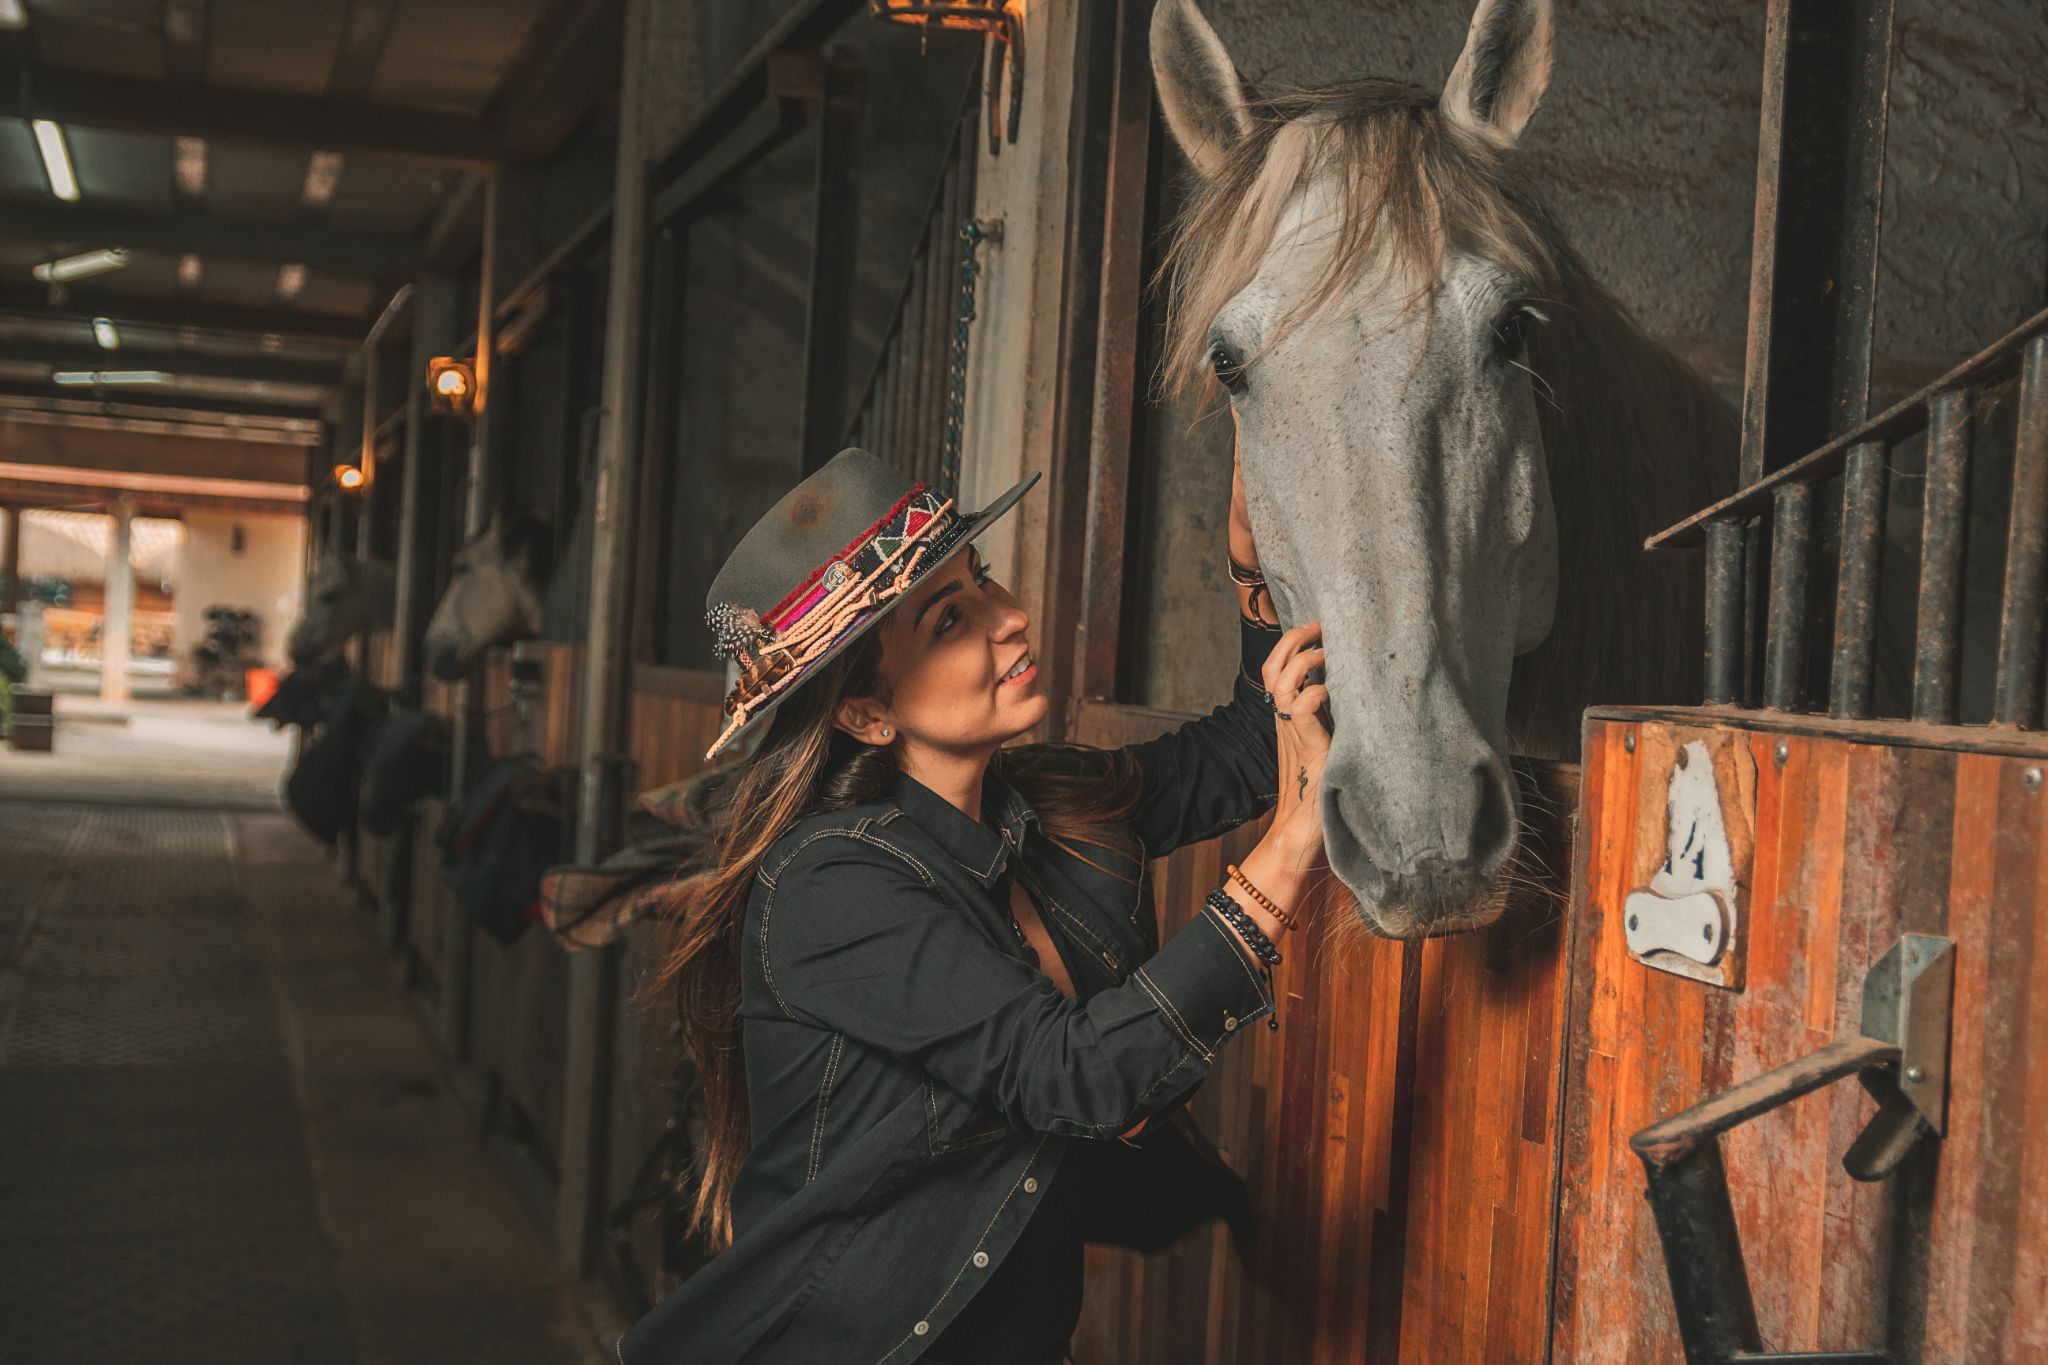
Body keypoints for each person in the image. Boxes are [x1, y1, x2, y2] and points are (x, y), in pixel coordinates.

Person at [618, 445, 1329, 1364]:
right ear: (867, 714)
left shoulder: (1051, 799)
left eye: (982, 579)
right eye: (952, 619)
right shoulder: (828, 886)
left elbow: (1240, 751)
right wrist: (1291, 850)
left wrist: (1251, 569)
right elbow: (1077, 1075)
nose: (1012, 616)